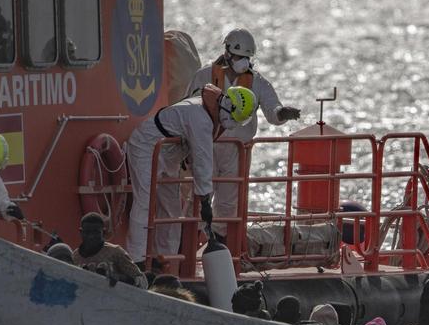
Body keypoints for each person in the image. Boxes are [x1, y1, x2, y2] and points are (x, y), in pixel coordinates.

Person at [187, 29, 301, 240]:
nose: (243, 62)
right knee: (199, 194)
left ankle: (220, 241)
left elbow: (272, 110)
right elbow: (187, 107)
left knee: (229, 202)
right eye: (239, 57)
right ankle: (192, 240)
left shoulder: (257, 82)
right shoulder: (203, 76)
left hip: (237, 150)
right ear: (228, 53)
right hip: (206, 146)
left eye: (247, 58)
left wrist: (282, 113)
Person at [125, 84, 257, 266]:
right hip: (146, 148)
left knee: (171, 210)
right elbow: (203, 160)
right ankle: (136, 260)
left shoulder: (209, 112)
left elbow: (197, 155)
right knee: (144, 202)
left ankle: (166, 260)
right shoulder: (201, 118)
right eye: (235, 119)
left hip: (169, 154)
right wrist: (204, 201)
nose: (233, 124)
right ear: (228, 106)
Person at [73, 212, 149, 288]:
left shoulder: (115, 252)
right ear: (81, 232)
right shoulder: (74, 257)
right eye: (87, 232)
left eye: (96, 232)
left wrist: (120, 278)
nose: (91, 236)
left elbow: (142, 281)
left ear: (104, 232)